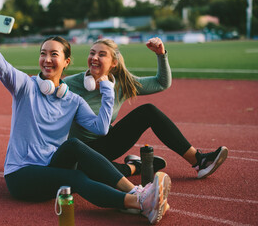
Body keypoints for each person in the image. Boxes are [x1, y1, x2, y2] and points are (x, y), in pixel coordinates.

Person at [0, 10, 171, 224]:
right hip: (22, 175)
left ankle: (136, 192)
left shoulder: (73, 100)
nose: (47, 59)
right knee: (76, 178)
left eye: (54, 54)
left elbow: (101, 129)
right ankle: (140, 202)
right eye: (43, 53)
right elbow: (0, 65)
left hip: (50, 166)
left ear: (66, 62)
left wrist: (107, 90)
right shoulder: (25, 86)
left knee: (74, 146)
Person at [64, 38, 228, 180]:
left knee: (148, 111)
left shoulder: (121, 84)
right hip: (78, 148)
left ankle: (199, 161)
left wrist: (161, 55)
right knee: (81, 170)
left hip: (105, 145)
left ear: (114, 63)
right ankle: (136, 167)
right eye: (92, 53)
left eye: (101, 54)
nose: (94, 57)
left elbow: (161, 83)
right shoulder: (71, 83)